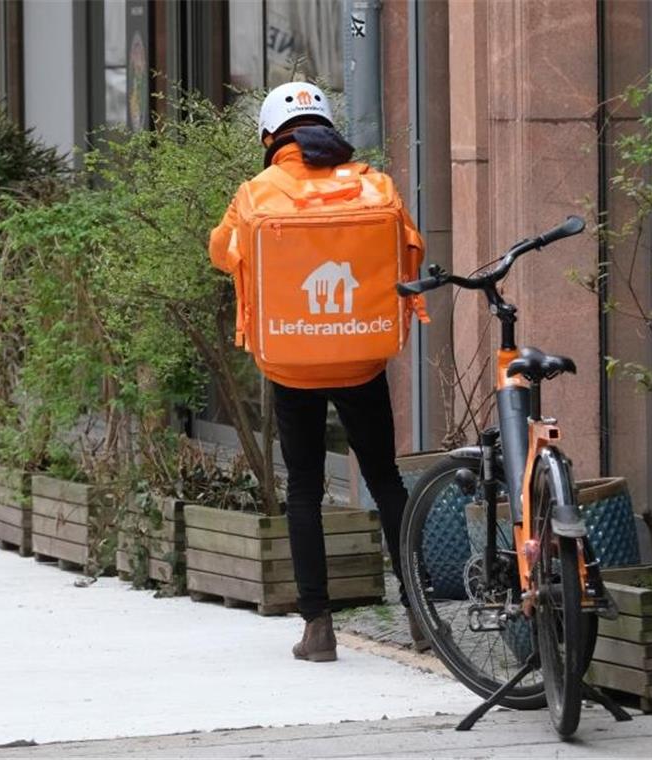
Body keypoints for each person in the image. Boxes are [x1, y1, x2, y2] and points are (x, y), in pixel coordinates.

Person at [208, 81, 429, 663]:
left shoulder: (256, 192)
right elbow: (411, 247)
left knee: (304, 489)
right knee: (385, 482)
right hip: (362, 355)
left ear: (268, 138)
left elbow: (219, 250)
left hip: (292, 359)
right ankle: (420, 613)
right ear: (328, 129)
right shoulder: (371, 183)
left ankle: (318, 628)